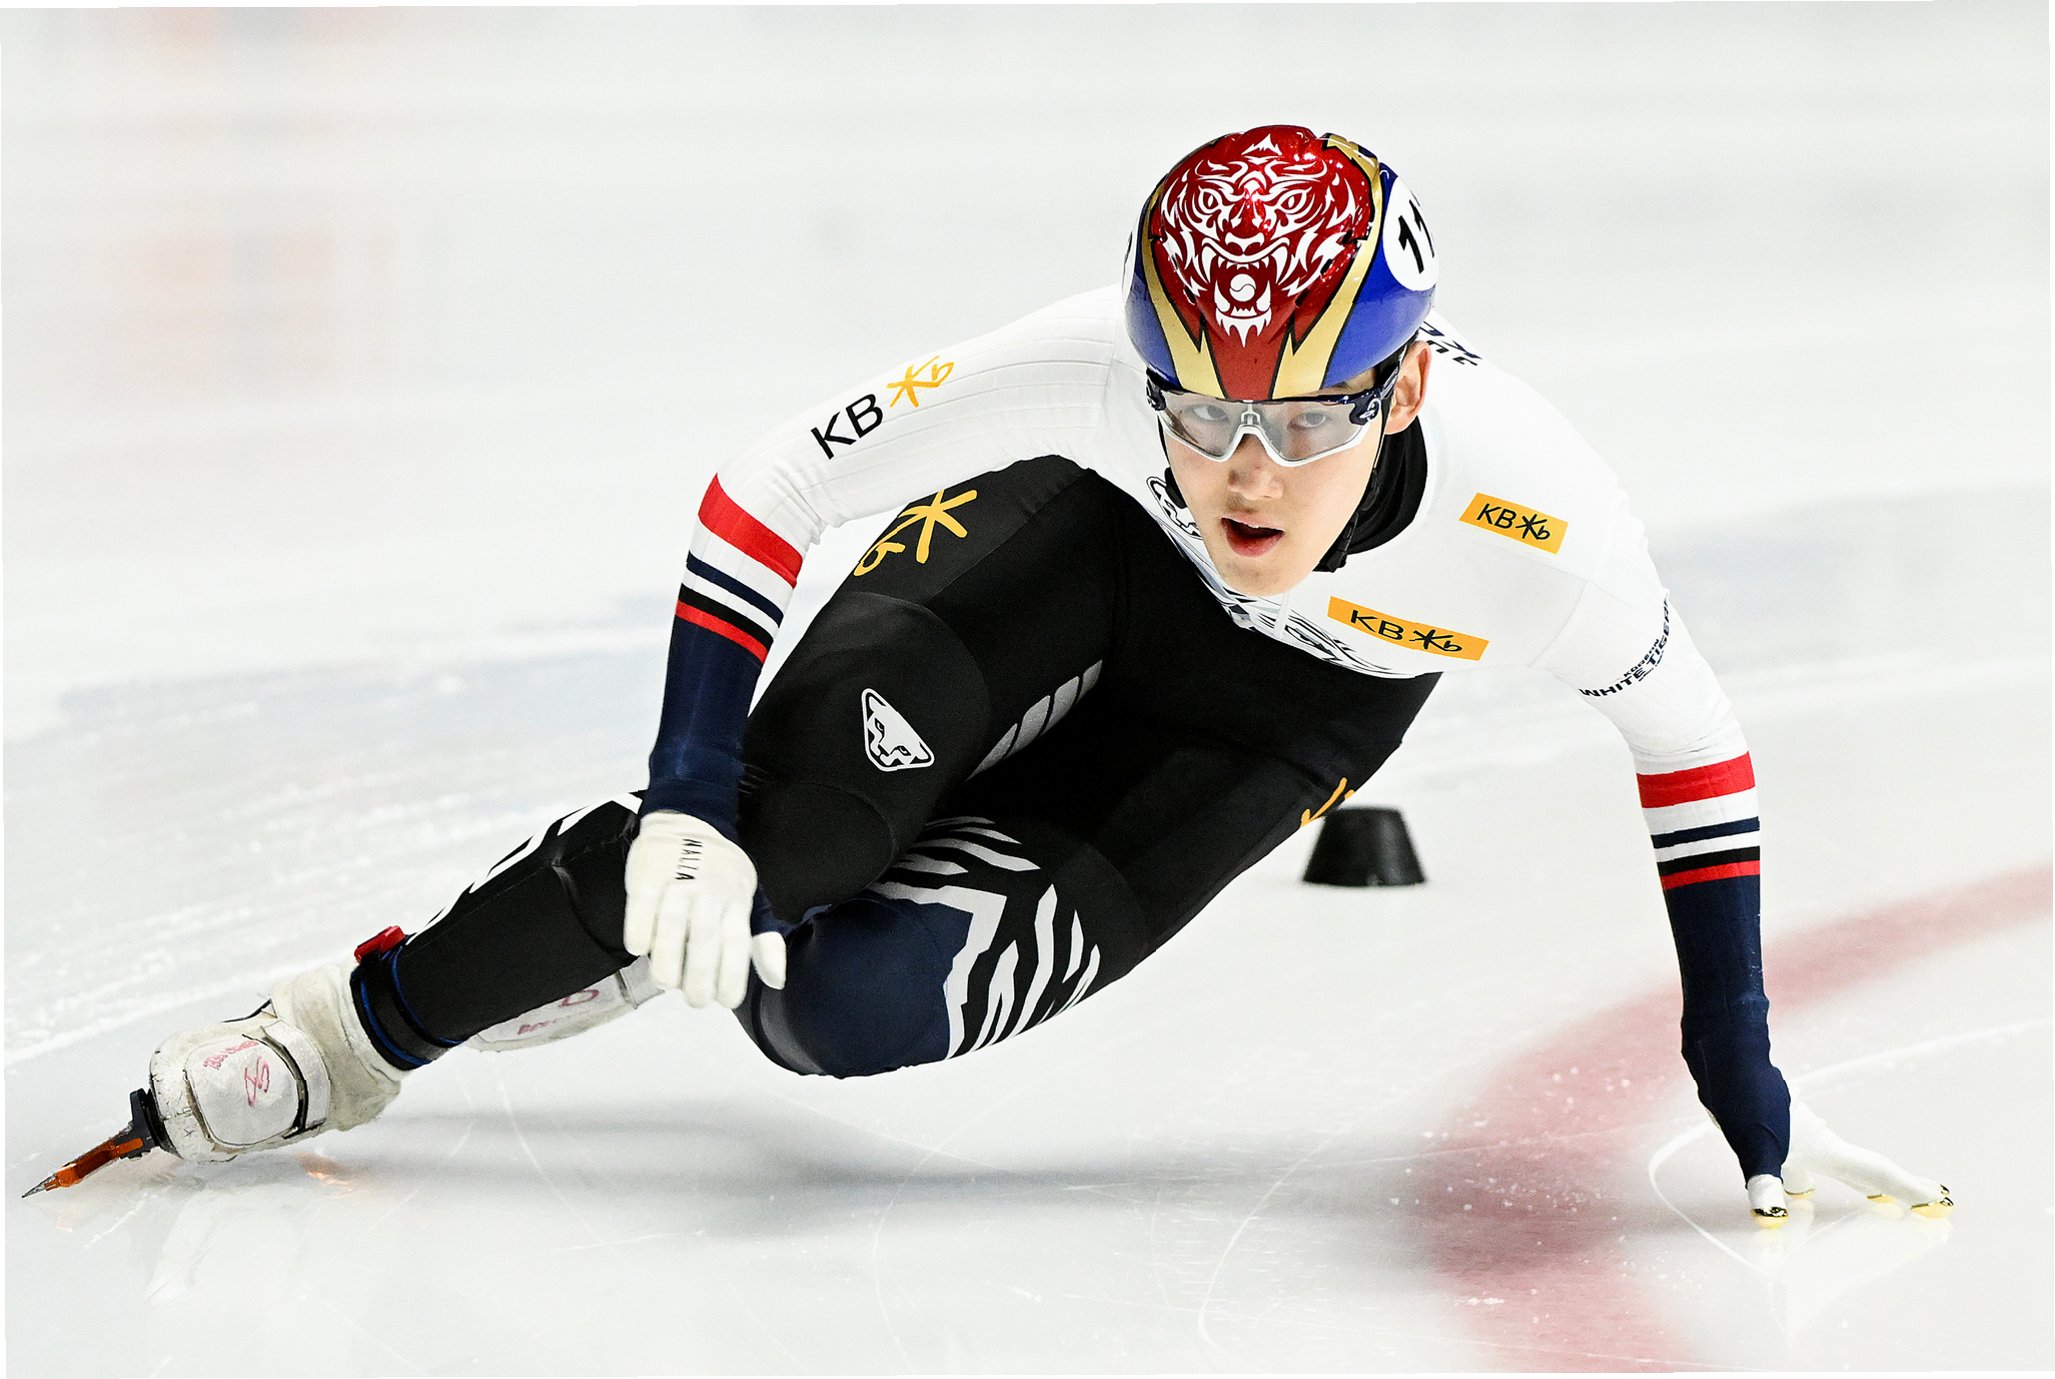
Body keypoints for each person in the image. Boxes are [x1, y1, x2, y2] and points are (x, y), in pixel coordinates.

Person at [49, 125, 1946, 1225]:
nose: (1244, 475)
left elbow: (1697, 755)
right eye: (1198, 410)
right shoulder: (1095, 388)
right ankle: (356, 1033)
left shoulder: (1543, 522)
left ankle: (687, 920)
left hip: (1287, 714)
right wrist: (695, 804)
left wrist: (1734, 1051)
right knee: (786, 836)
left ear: (1402, 389)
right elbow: (769, 486)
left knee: (838, 1010)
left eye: (1300, 423)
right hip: (1077, 562)